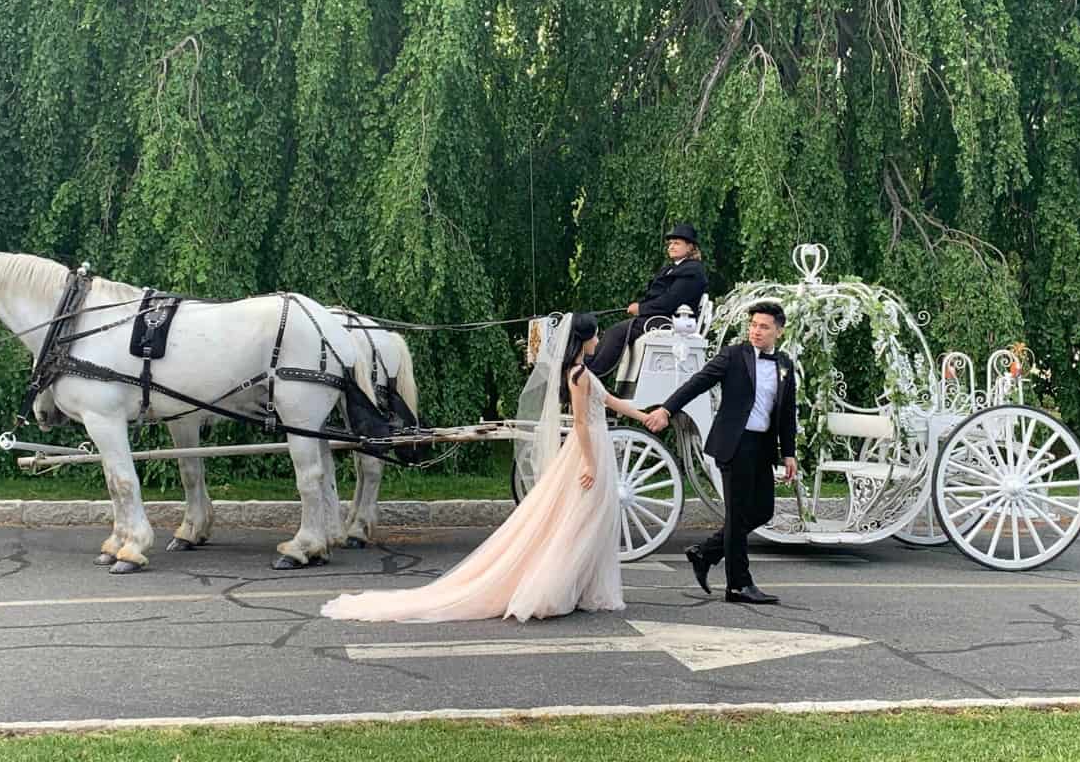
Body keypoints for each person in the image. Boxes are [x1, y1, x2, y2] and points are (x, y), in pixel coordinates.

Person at [321, 312, 650, 623]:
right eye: (595, 334)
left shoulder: (583, 373)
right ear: (584, 338)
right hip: (587, 449)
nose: (599, 339)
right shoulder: (578, 375)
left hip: (594, 446)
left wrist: (646, 415)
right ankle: (554, 586)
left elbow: (609, 401)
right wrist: (590, 463)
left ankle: (579, 585)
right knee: (580, 519)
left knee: (590, 517)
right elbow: (579, 422)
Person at [644, 300, 797, 605]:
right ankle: (738, 585)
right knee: (738, 513)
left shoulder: (784, 365)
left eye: (764, 327)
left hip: (762, 447)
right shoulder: (733, 355)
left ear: (779, 331)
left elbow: (787, 412)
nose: (756, 331)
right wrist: (666, 408)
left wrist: (788, 453)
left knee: (763, 510)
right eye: (753, 325)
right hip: (735, 444)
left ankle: (705, 553)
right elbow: (698, 383)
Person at [586, 223, 708, 379]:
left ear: (690, 247)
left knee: (617, 333)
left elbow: (671, 301)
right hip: (656, 317)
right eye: (670, 243)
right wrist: (640, 308)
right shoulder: (672, 268)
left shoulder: (693, 270)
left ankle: (594, 374)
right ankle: (590, 367)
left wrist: (642, 309)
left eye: (676, 243)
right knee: (612, 332)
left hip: (671, 322)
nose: (671, 246)